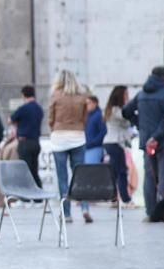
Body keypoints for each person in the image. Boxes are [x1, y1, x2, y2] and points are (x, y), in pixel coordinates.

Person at [122, 66, 164, 218]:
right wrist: (157, 136)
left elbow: (126, 111)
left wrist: (140, 124)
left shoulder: (142, 94)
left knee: (150, 177)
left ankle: (150, 211)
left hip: (146, 142)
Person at [48, 70, 90, 223]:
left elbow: (50, 117)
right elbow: (85, 117)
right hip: (78, 136)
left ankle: (67, 214)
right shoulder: (82, 96)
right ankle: (85, 208)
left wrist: (54, 127)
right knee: (80, 175)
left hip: (59, 137)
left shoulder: (56, 95)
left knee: (62, 178)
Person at [103, 85, 132, 203]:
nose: (128, 97)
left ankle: (113, 196)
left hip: (110, 142)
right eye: (126, 95)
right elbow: (126, 121)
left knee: (114, 171)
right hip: (115, 142)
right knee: (121, 171)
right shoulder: (117, 111)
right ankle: (125, 198)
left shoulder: (110, 109)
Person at [10, 85, 44, 187]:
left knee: (25, 170)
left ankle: (26, 196)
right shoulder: (39, 109)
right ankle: (38, 194)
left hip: (24, 142)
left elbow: (11, 119)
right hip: (35, 142)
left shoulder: (23, 108)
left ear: (23, 95)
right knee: (34, 170)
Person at [84, 95, 107, 165]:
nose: (87, 106)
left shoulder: (98, 116)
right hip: (88, 147)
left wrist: (94, 142)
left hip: (95, 148)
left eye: (89, 103)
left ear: (95, 103)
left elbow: (103, 131)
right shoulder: (88, 116)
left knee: (92, 170)